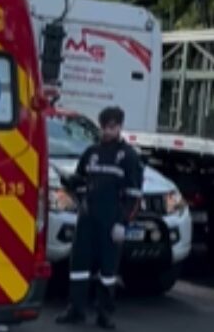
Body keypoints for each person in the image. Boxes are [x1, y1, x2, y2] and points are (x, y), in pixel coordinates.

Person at [56, 106, 143, 329]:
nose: (108, 131)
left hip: (111, 219)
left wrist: (123, 223)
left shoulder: (128, 157)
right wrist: (70, 181)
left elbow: (134, 196)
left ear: (120, 127)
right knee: (79, 266)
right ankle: (76, 310)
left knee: (108, 270)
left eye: (112, 126)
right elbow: (81, 179)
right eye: (105, 126)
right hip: (87, 217)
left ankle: (104, 313)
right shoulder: (91, 152)